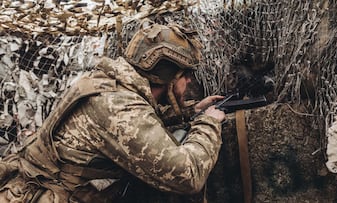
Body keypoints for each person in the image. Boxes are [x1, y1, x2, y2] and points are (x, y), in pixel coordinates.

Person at [0, 20, 225, 202]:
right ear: (171, 78)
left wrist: (190, 110)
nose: (188, 81)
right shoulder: (118, 107)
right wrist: (208, 124)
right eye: (186, 75)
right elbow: (187, 176)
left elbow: (141, 120)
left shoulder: (111, 83)